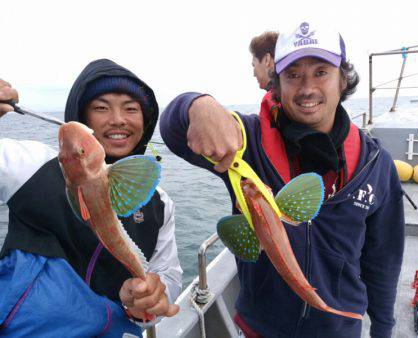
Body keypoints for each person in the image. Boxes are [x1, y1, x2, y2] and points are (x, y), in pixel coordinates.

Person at [160, 20, 405, 338]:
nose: (307, 88)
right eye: (293, 75)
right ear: (277, 83)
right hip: (262, 328)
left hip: (340, 328)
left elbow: (383, 257)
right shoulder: (246, 143)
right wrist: (195, 105)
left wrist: (383, 328)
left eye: (321, 72)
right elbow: (172, 131)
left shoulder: (375, 163)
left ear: (342, 79)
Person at [0, 59, 182, 337]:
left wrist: (146, 302)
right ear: (81, 117)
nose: (118, 119)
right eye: (101, 107)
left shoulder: (159, 203)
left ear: (145, 122)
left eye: (131, 108)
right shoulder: (30, 165)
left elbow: (166, 280)